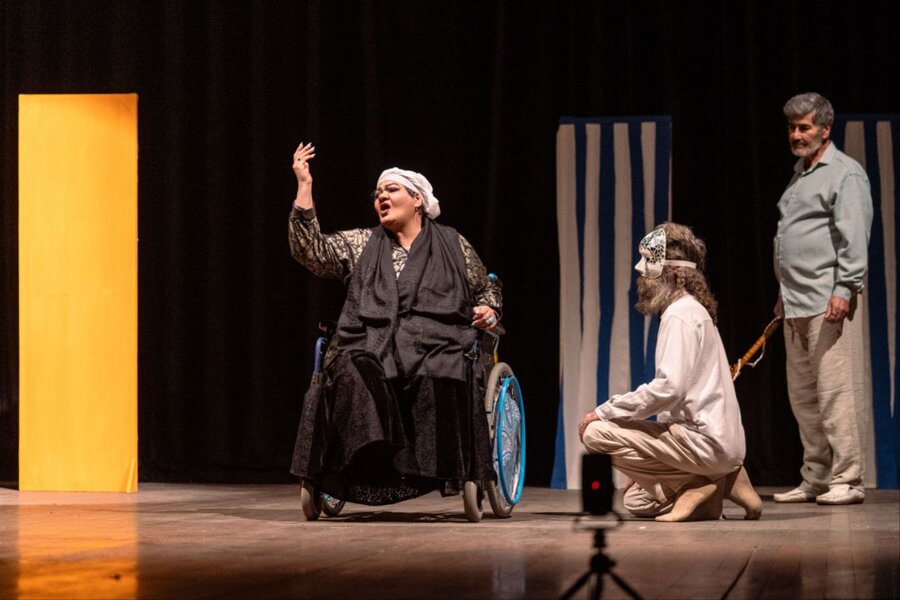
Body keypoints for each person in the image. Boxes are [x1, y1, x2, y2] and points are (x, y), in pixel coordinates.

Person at [287, 142, 502, 505]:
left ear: (417, 199)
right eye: (377, 194)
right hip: (369, 342)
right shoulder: (362, 243)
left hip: (436, 342)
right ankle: (364, 465)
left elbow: (486, 288)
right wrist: (304, 186)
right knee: (351, 369)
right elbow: (312, 252)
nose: (381, 197)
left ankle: (429, 467)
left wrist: (489, 310)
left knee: (441, 368)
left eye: (391, 189)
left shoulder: (453, 244)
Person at [579, 223, 762, 522]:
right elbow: (677, 398)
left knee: (594, 434)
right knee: (636, 500)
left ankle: (697, 485)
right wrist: (650, 466)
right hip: (718, 447)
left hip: (703, 443)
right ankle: (724, 482)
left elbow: (668, 390)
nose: (641, 272)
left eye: (648, 263)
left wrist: (603, 411)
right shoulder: (692, 310)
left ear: (673, 272)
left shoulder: (679, 315)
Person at [772, 93, 873, 506]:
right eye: (792, 128)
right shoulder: (801, 174)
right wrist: (783, 293)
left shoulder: (844, 173)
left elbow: (854, 236)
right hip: (795, 301)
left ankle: (848, 478)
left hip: (827, 300)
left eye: (805, 127)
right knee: (804, 398)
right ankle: (816, 476)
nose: (796, 135)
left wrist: (844, 288)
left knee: (836, 392)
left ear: (825, 129)